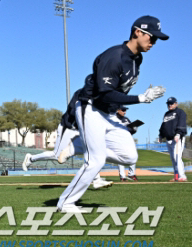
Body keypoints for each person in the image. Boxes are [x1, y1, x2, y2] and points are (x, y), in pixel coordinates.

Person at [57, 16, 168, 213]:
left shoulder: (137, 59)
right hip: (90, 108)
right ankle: (66, 203)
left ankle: (79, 146)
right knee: (96, 160)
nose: (153, 43)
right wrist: (142, 98)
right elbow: (105, 92)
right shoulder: (114, 56)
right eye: (151, 37)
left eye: (157, 39)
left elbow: (118, 92)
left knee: (129, 157)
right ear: (137, 32)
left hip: (109, 113)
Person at [159, 97, 187, 182]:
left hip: (178, 138)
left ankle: (182, 176)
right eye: (168, 104)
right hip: (169, 139)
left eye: (171, 103)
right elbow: (163, 126)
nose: (169, 105)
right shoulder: (166, 114)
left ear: (176, 103)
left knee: (177, 157)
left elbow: (182, 123)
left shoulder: (180, 112)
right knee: (173, 158)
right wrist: (161, 135)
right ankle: (176, 176)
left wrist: (178, 133)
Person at [115, 106, 138, 181]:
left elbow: (131, 129)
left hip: (128, 140)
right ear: (118, 110)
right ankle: (122, 176)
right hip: (118, 140)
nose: (124, 112)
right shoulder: (113, 118)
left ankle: (131, 174)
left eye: (125, 110)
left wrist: (134, 129)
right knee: (120, 158)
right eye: (123, 110)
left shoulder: (126, 119)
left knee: (133, 156)